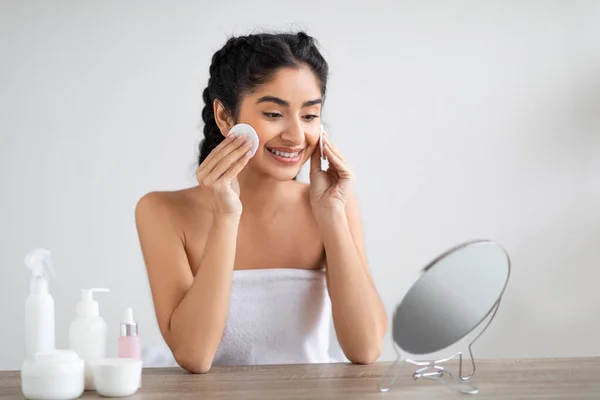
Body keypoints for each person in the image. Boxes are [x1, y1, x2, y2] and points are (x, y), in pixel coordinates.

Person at [134, 31, 387, 374]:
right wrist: (226, 217)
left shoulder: (334, 204)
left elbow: (367, 348)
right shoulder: (162, 212)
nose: (296, 136)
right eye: (273, 114)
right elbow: (194, 355)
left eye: (310, 116)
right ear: (225, 117)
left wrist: (331, 214)